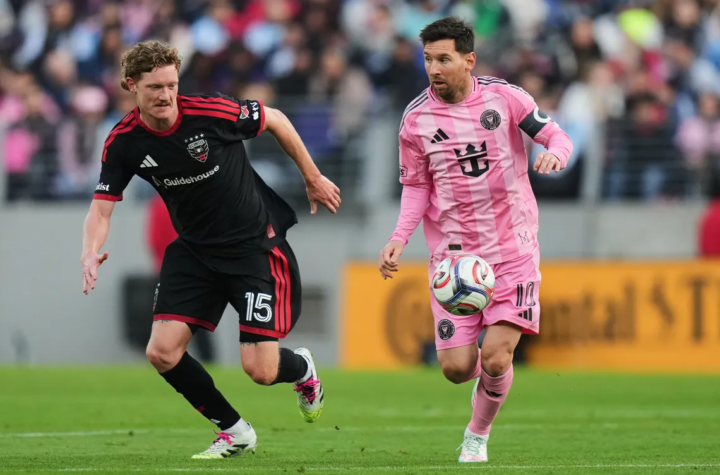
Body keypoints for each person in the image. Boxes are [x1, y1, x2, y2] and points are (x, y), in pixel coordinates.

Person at [81, 40, 340, 459]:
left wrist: (312, 176)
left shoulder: (210, 112)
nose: (166, 95)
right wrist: (90, 251)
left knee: (261, 371)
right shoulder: (124, 141)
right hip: (195, 252)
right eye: (155, 87)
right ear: (131, 86)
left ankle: (302, 368)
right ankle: (235, 432)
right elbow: (101, 207)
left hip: (252, 248)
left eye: (172, 85)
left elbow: (275, 118)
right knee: (161, 353)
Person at [378, 18, 572, 463]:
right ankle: (483, 389)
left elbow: (555, 135)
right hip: (454, 259)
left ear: (469, 60)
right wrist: (399, 237)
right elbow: (416, 186)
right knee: (455, 368)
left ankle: (477, 435)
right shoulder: (415, 120)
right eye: (428, 59)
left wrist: (555, 154)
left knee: (497, 358)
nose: (434, 68)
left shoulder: (505, 98)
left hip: (513, 250)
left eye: (443, 59)